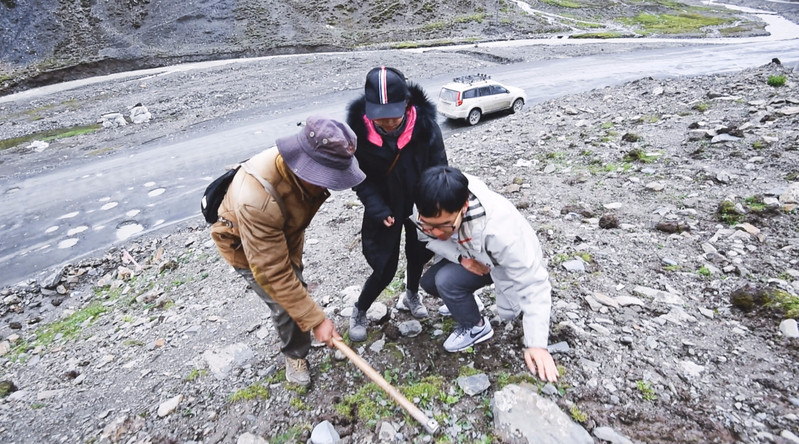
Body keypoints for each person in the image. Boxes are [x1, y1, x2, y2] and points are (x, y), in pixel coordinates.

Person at [210, 116, 365, 386]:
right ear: (305, 165)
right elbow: (273, 273)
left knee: (297, 287)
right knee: (283, 302)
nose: (329, 184)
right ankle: (294, 354)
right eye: (326, 177)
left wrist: (309, 312)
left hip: (285, 230)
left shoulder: (303, 166)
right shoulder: (256, 200)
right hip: (244, 245)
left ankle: (302, 325)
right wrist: (317, 320)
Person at [413, 166, 559, 383]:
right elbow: (427, 239)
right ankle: (468, 304)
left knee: (446, 281)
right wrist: (463, 259)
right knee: (430, 282)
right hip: (470, 254)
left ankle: (476, 328)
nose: (435, 232)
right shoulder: (425, 207)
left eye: (444, 225)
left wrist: (536, 344)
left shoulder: (501, 230)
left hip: (502, 264)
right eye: (428, 225)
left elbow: (533, 282)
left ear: (464, 207)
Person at [346, 66, 448, 342]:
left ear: (407, 104)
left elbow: (439, 168)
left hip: (420, 206)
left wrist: (434, 206)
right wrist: (377, 208)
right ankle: (360, 309)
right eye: (381, 120)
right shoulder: (357, 135)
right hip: (384, 209)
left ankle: (411, 295)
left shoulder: (426, 128)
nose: (389, 125)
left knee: (418, 255)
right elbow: (359, 178)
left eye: (394, 118)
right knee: (385, 267)